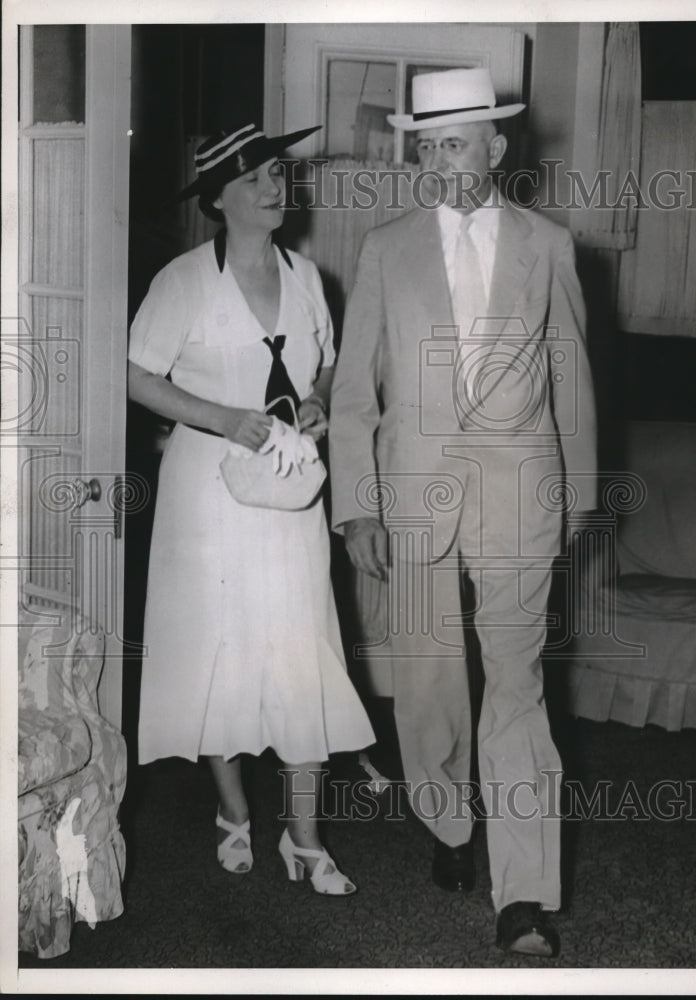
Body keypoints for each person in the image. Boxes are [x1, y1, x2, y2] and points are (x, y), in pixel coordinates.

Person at [329, 68, 597, 951]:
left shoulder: (548, 244)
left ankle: (524, 893)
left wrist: (578, 499)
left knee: (518, 689)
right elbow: (354, 395)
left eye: (454, 142)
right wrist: (358, 508)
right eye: (427, 145)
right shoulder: (385, 248)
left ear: (496, 147)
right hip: (411, 494)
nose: (438, 160)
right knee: (431, 686)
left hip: (523, 492)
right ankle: (447, 823)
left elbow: (573, 379)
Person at [127, 122, 375, 894]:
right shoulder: (182, 281)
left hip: (290, 491)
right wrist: (223, 417)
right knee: (218, 649)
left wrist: (316, 407)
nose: (278, 188)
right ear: (220, 199)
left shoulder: (308, 276)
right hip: (207, 496)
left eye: (280, 174)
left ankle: (304, 838)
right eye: (260, 178)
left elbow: (330, 366)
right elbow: (137, 377)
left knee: (303, 648)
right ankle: (233, 813)